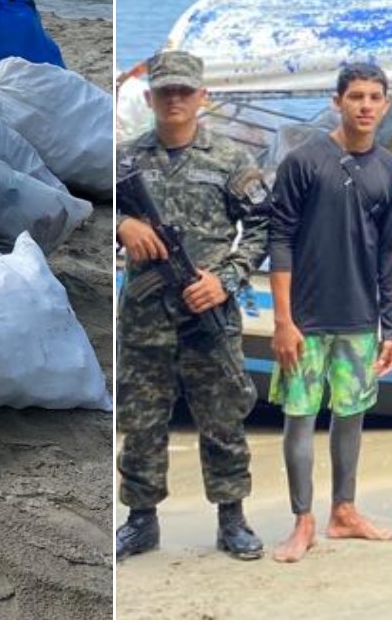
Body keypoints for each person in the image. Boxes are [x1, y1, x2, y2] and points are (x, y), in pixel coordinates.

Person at [115, 50, 272, 562]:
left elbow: (264, 228)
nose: (175, 99)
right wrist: (123, 226)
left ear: (202, 97)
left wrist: (224, 280)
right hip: (145, 313)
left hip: (208, 311)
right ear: (150, 97)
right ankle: (141, 520)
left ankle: (232, 517)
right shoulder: (124, 161)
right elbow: (86, 207)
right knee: (141, 418)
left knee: (222, 415)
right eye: (166, 92)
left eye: (185, 91)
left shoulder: (231, 160)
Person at [264, 61, 392, 563]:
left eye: (374, 97)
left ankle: (344, 512)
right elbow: (278, 239)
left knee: (351, 416)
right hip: (305, 318)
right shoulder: (304, 162)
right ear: (337, 102)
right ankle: (302, 520)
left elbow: (391, 253)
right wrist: (283, 321)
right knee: (299, 417)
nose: (365, 106)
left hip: (360, 319)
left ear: (385, 105)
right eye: (356, 97)